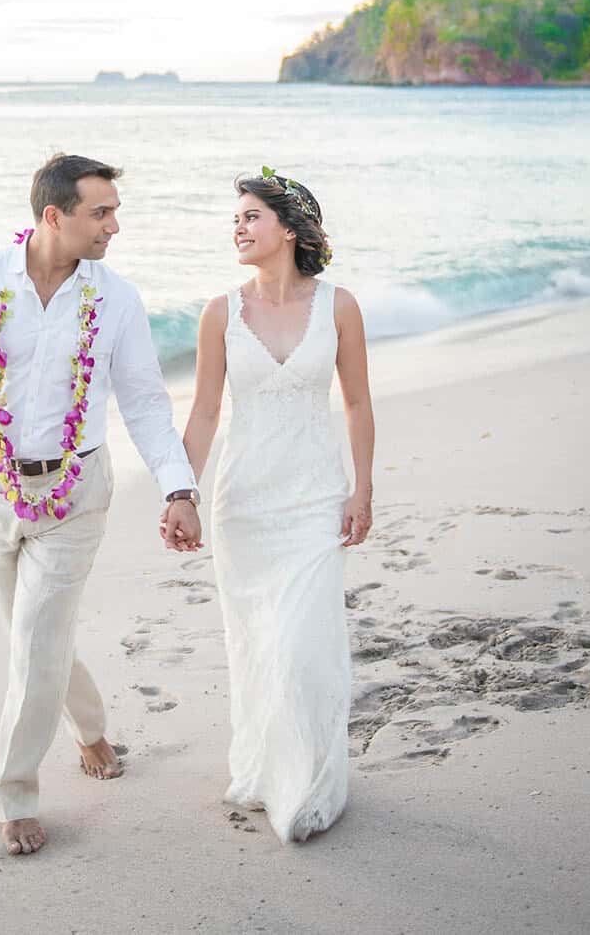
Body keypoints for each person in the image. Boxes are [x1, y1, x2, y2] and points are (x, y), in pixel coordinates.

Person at [0, 153, 201, 858]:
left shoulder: (115, 299)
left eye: (114, 210)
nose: (115, 225)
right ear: (53, 216)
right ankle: (89, 730)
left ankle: (12, 792)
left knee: (34, 637)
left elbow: (143, 399)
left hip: (76, 490)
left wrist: (178, 485)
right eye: (100, 212)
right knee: (33, 638)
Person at [173, 166, 374, 843]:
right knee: (258, 643)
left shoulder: (338, 306)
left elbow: (356, 402)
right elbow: (203, 414)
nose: (238, 226)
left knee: (302, 645)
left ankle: (309, 783)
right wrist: (181, 492)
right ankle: (268, 769)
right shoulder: (220, 312)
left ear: (288, 227)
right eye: (235, 217)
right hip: (245, 504)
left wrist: (362, 486)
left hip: (315, 498)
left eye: (251, 215)